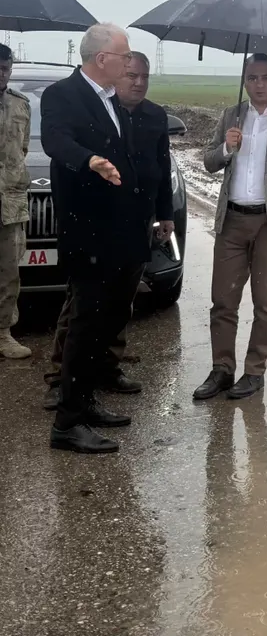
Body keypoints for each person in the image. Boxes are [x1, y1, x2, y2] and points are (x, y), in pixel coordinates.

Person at [41, 23, 152, 454]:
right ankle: (67, 424)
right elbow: (55, 140)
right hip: (88, 235)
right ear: (102, 59)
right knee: (84, 328)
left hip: (118, 235)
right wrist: (89, 160)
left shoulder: (111, 101)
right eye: (124, 56)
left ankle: (86, 403)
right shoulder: (62, 95)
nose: (130, 63)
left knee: (105, 324)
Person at [43, 51, 174, 408]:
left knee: (119, 302)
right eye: (130, 74)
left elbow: (161, 169)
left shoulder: (154, 116)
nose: (138, 82)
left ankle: (103, 368)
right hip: (99, 226)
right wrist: (91, 162)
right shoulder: (93, 108)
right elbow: (58, 142)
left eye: (144, 76)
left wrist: (165, 214)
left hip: (136, 222)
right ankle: (64, 378)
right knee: (83, 306)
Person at [193, 53, 267, 401]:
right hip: (232, 220)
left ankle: (255, 371)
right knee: (223, 301)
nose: (258, 85)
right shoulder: (232, 115)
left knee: (265, 303)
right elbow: (208, 163)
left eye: (265, 78)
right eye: (252, 78)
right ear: (244, 81)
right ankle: (222, 369)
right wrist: (226, 149)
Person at [0, 43, 32, 360]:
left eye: (6, 68)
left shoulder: (21, 105)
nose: (2, 73)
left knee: (9, 272)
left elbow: (21, 151)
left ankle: (3, 334)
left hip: (10, 202)